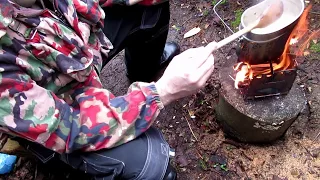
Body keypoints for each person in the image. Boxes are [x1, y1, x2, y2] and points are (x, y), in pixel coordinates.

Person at [0, 0, 216, 179]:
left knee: (150, 8)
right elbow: (70, 128)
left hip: (77, 46)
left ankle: (144, 68)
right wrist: (163, 91)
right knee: (150, 160)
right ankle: (65, 167)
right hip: (55, 114)